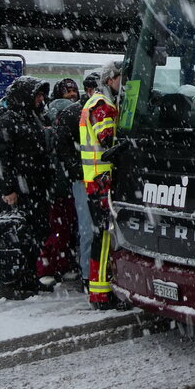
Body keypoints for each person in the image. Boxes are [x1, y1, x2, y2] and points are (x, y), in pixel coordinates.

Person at [0, 76, 53, 299]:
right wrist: (7, 189)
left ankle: (28, 278)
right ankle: (12, 283)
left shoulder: (32, 119)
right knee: (15, 236)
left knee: (33, 235)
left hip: (35, 188)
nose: (40, 99)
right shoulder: (6, 123)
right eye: (36, 95)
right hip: (19, 192)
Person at [80, 61, 125, 309]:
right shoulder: (102, 105)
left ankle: (100, 290)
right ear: (110, 79)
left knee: (102, 236)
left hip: (95, 179)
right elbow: (108, 140)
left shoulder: (93, 102)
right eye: (120, 78)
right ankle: (101, 294)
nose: (123, 83)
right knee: (106, 237)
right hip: (102, 180)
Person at [36, 94, 83, 288]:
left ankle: (62, 265)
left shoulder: (60, 135)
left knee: (65, 231)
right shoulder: (51, 136)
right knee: (57, 231)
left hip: (65, 190)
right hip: (57, 191)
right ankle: (47, 268)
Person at [70, 71, 100, 281]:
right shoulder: (78, 113)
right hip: (87, 179)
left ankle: (92, 273)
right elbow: (65, 148)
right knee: (89, 230)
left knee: (93, 230)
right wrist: (77, 171)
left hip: (96, 178)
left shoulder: (90, 109)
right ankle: (88, 275)